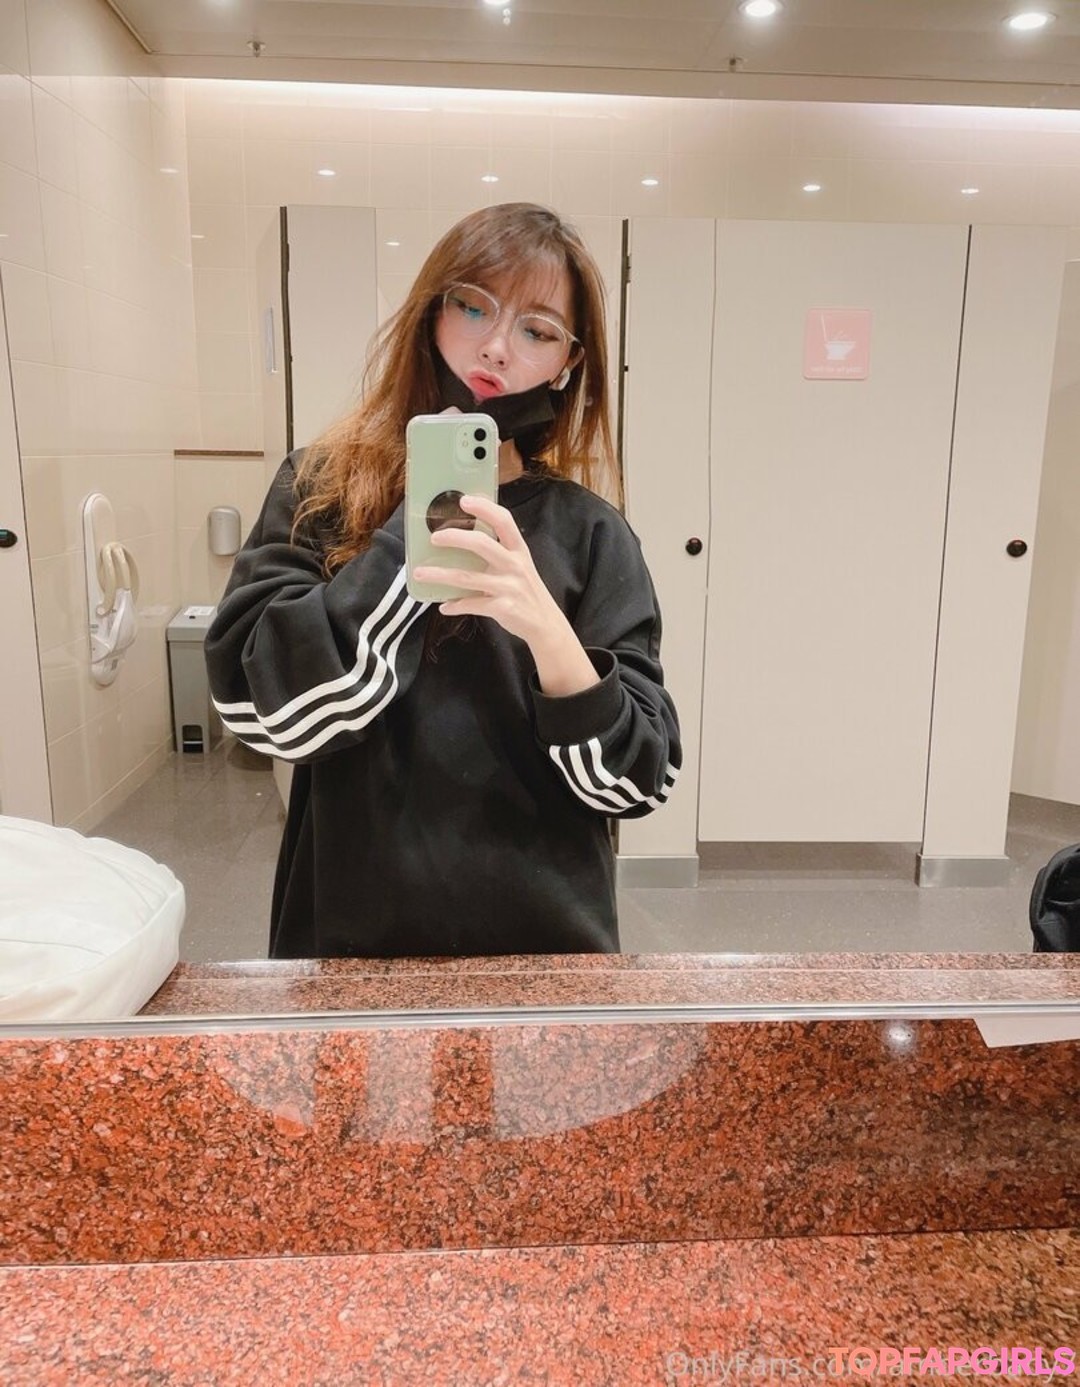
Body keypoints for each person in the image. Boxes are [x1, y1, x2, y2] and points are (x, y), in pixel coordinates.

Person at [204, 202, 681, 959]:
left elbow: (638, 783)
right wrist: (412, 542)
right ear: (432, 313)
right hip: (348, 950)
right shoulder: (323, 487)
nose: (496, 347)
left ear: (568, 365)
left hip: (545, 960)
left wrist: (551, 638)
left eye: (537, 331)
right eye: (474, 306)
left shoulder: (590, 534)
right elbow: (258, 713)